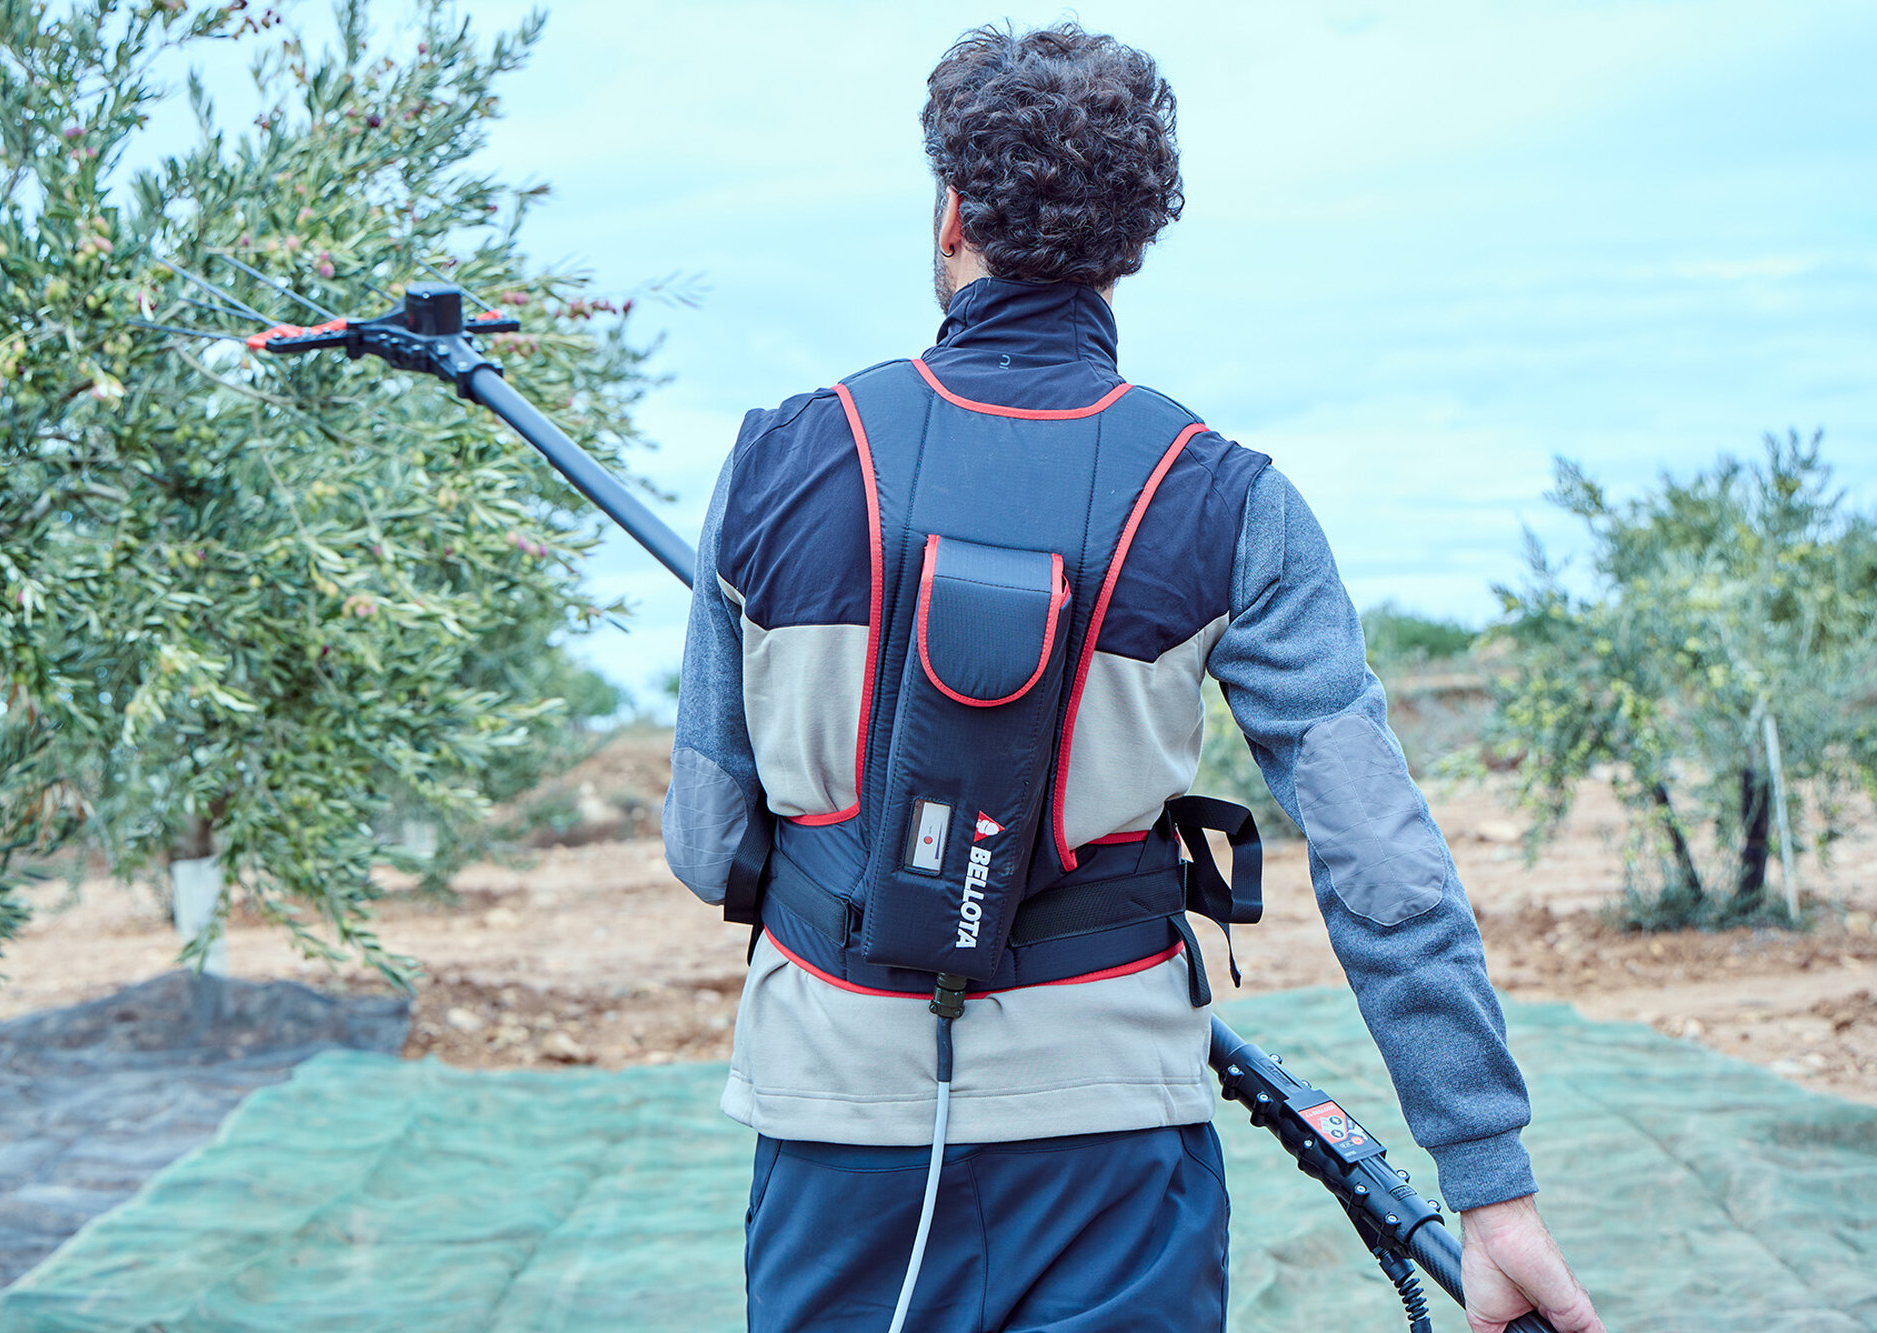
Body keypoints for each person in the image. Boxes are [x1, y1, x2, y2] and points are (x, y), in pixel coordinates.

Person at [664, 21, 1606, 1333]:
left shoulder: (776, 461)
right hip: (1112, 1147)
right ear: (1129, 248)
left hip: (838, 1129)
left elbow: (709, 845)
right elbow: (1382, 862)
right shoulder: (1230, 501)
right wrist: (1488, 1185)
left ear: (952, 214)